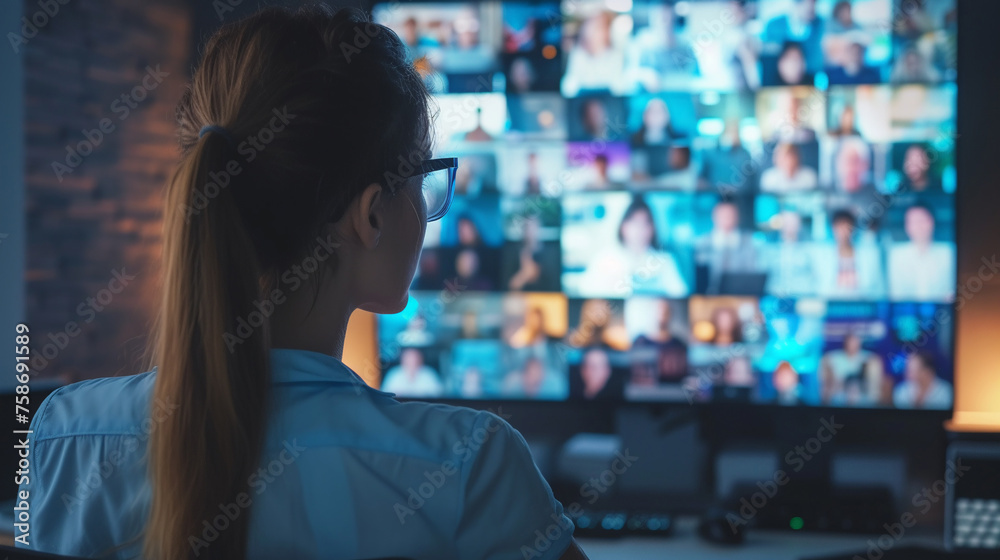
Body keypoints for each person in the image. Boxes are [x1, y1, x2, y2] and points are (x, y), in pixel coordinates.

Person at [17, 7, 589, 560]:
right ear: (370, 216)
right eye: (424, 176)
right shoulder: (471, 466)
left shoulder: (64, 438)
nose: (428, 205)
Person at [578, 196, 689, 297]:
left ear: (653, 228)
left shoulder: (664, 261)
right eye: (635, 223)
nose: (640, 230)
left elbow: (681, 294)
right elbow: (585, 291)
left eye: (645, 224)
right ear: (623, 226)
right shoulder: (604, 259)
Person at [627, 2, 700, 92]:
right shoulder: (643, 44)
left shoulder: (685, 47)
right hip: (653, 100)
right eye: (662, 18)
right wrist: (645, 75)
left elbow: (697, 78)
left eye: (669, 18)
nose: (666, 23)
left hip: (680, 99)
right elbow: (629, 75)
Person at [888, 204, 955, 301]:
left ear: (932, 222)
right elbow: (896, 295)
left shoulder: (949, 252)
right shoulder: (896, 255)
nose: (918, 226)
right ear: (907, 226)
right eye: (913, 222)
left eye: (921, 221)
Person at [814, 209, 885, 299]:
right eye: (839, 227)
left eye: (846, 227)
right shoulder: (822, 257)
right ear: (833, 229)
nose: (843, 232)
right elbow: (821, 287)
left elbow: (876, 286)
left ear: (853, 230)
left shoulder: (868, 256)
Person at [694, 200, 759, 294]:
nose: (727, 219)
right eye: (723, 216)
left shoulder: (749, 242)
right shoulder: (702, 243)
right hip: (709, 295)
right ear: (714, 216)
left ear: (737, 217)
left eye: (731, 215)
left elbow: (753, 272)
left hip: (741, 294)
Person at [562, 11, 627, 96]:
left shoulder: (616, 55)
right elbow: (568, 85)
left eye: (597, 28)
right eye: (590, 27)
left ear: (607, 32)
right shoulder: (578, 53)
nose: (591, 32)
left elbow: (619, 86)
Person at [820, 332, 884, 405]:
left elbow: (873, 383)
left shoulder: (869, 359)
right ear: (845, 343)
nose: (852, 344)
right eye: (850, 341)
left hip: (863, 395)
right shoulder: (833, 358)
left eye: (855, 341)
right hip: (840, 393)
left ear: (859, 343)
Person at [763, 0, 825, 75]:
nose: (812, 8)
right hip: (778, 81)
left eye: (814, 3)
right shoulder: (774, 26)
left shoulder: (820, 25)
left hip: (810, 79)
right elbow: (770, 60)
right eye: (808, 4)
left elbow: (819, 61)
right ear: (796, 4)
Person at [765, 211, 817, 297]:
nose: (790, 227)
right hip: (775, 297)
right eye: (787, 223)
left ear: (799, 225)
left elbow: (815, 278)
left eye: (793, 223)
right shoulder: (771, 250)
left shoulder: (808, 250)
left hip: (802, 297)